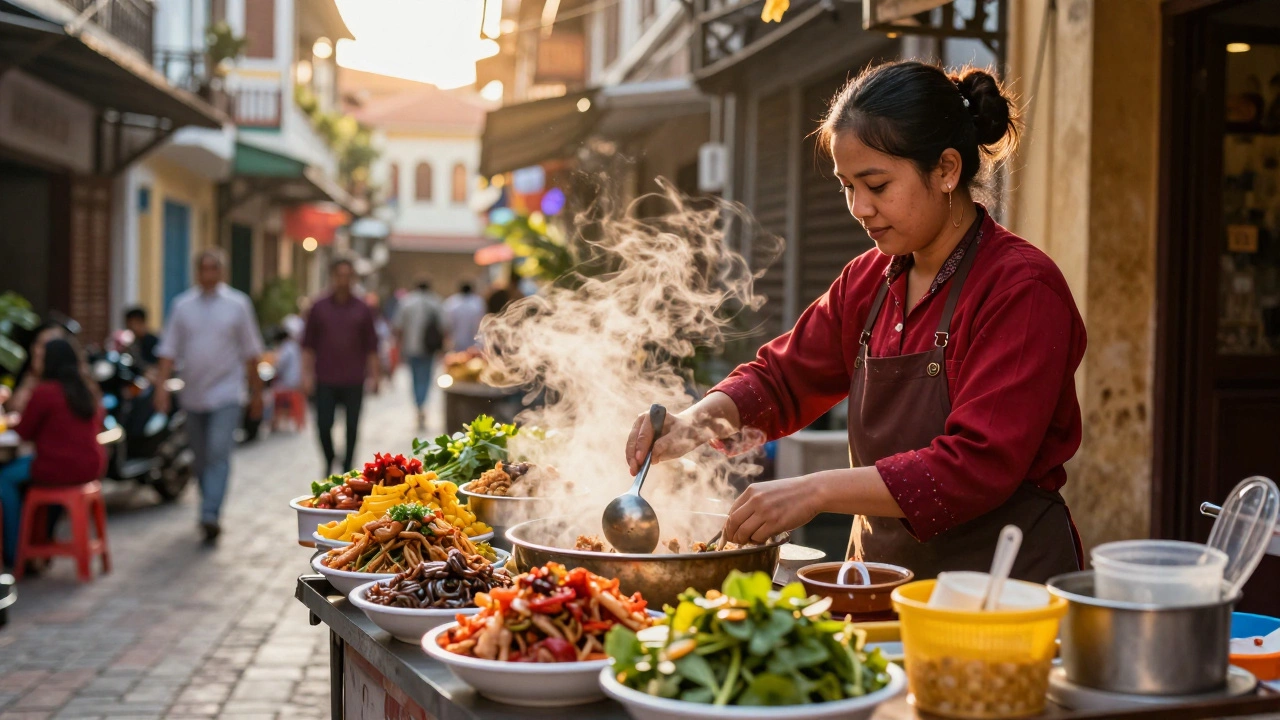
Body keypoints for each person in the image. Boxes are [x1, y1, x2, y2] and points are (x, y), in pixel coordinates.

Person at [625, 61, 1087, 584]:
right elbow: (783, 379)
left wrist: (815, 491)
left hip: (1000, 592)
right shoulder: (868, 279)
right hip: (878, 583)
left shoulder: (1021, 289)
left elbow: (976, 466)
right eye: (847, 187)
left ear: (947, 170)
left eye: (877, 185)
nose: (860, 208)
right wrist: (693, 423)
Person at [155, 249, 265, 543]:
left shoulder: (238, 305)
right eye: (204, 269)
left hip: (227, 394)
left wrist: (257, 393)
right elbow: (168, 350)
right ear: (197, 272)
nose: (209, 274)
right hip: (193, 396)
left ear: (222, 272)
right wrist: (161, 388)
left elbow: (251, 352)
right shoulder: (182, 306)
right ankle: (209, 505)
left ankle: (210, 513)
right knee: (201, 458)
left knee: (218, 451)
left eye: (214, 268)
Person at [0, 338, 105, 569]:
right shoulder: (87, 389)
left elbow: (24, 431)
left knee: (4, 479)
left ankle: (14, 551)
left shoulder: (45, 392)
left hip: (55, 467)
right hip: (90, 466)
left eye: (39, 356)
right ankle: (39, 545)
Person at [302, 257, 379, 475]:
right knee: (323, 424)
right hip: (325, 377)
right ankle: (329, 458)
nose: (343, 280)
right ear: (332, 277)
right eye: (339, 275)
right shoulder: (318, 307)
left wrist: (375, 376)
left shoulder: (363, 309)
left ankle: (347, 466)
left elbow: (372, 346)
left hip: (354, 378)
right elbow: (307, 345)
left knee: (352, 428)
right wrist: (306, 375)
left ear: (353, 278)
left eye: (347, 276)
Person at [393, 279, 445, 430]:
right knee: (426, 378)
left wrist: (399, 346)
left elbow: (398, 327)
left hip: (411, 348)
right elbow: (443, 326)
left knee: (415, 378)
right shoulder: (435, 302)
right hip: (429, 348)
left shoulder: (407, 302)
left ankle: (419, 405)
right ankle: (422, 404)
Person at [442, 282, 486, 351]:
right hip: (474, 341)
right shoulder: (478, 302)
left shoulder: (451, 303)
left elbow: (447, 324)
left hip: (456, 341)